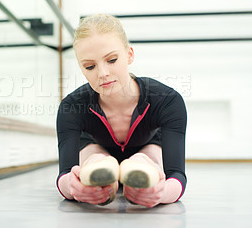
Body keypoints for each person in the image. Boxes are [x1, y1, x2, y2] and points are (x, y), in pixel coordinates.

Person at [56, 14, 187, 207]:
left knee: (147, 158)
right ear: (81, 68)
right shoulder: (71, 106)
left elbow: (176, 174)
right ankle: (100, 168)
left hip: (148, 147)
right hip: (94, 147)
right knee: (94, 159)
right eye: (90, 66)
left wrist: (162, 193)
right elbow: (65, 174)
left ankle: (140, 166)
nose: (102, 74)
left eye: (112, 60)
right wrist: (73, 187)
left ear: (129, 55)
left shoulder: (167, 101)